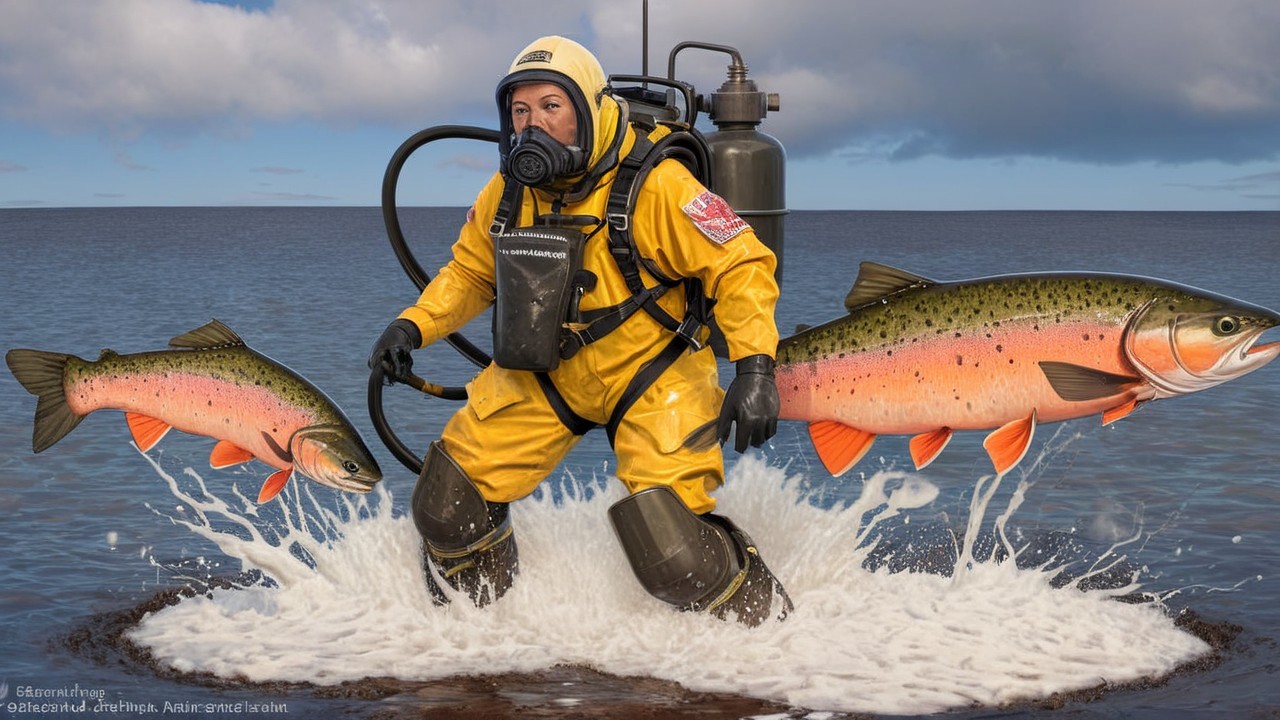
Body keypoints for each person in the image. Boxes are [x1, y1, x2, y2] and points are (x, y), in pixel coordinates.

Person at [369, 35, 791, 626]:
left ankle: (770, 634)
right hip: (548, 369)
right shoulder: (508, 191)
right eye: (520, 111)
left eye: (550, 107)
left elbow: (742, 264)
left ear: (587, 109)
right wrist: (410, 328)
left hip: (655, 370)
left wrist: (755, 369)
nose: (531, 126)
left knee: (670, 552)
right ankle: (476, 641)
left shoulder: (662, 185)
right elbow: (469, 272)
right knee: (445, 504)